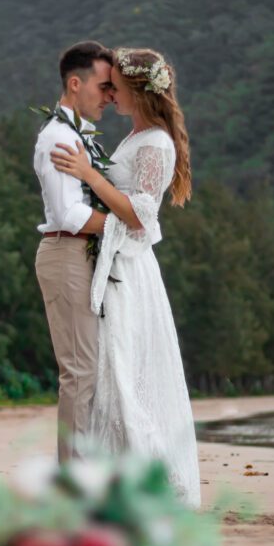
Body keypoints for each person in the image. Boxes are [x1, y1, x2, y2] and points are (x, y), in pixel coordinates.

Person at [50, 47, 200, 505]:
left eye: (116, 85)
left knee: (123, 371)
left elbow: (140, 215)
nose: (110, 93)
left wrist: (89, 176)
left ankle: (134, 487)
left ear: (136, 90)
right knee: (111, 373)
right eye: (107, 85)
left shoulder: (155, 143)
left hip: (130, 274)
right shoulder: (136, 138)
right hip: (116, 266)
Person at [34, 40, 113, 462]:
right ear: (76, 83)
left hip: (80, 256)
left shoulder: (79, 136)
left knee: (89, 369)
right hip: (66, 253)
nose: (109, 96)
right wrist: (125, 225)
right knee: (80, 371)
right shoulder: (59, 138)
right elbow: (67, 213)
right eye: (103, 87)